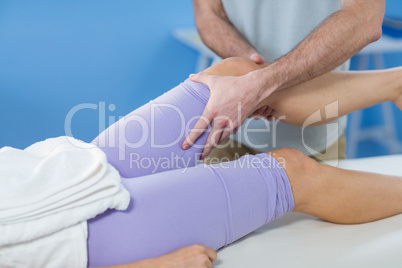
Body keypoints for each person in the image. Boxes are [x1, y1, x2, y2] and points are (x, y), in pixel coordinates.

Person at [87, 57, 402, 267]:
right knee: (290, 171)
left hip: (63, 172)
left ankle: (395, 83)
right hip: (78, 236)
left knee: (234, 76)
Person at [187, 0, 386, 161]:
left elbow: (365, 17)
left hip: (314, 140)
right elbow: (208, 13)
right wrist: (253, 71)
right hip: (226, 124)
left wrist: (262, 82)